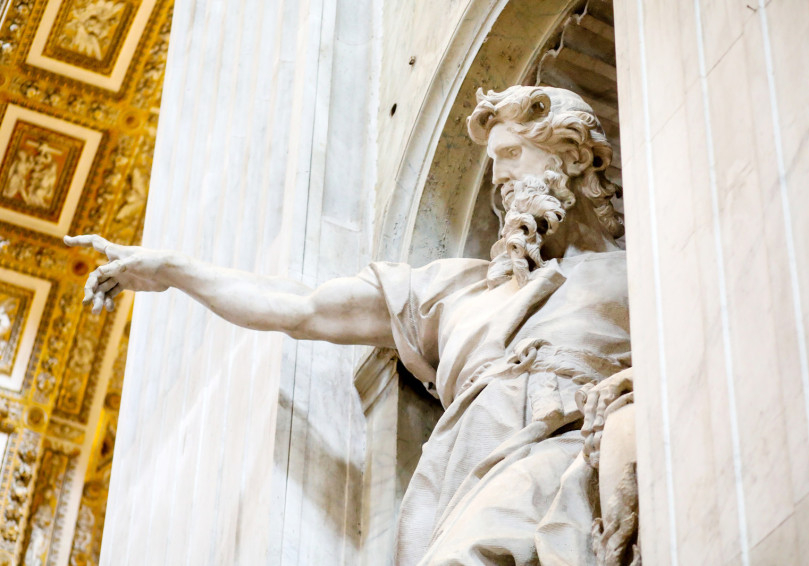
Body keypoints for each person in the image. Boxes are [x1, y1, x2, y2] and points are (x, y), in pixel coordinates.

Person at [66, 86, 638, 565]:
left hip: (567, 458)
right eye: (492, 164)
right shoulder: (454, 289)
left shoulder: (636, 274)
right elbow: (303, 307)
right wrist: (173, 270)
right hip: (461, 475)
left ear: (572, 157)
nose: (499, 178)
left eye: (511, 154)